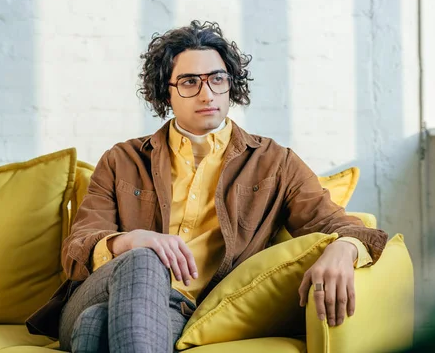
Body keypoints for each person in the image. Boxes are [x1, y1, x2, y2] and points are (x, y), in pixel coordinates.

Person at [26, 20, 388, 353]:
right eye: (189, 82)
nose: (207, 94)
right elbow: (76, 248)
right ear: (166, 93)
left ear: (231, 84)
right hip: (97, 290)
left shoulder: (275, 162)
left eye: (217, 78)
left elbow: (342, 226)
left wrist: (345, 249)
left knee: (97, 326)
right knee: (143, 261)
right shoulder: (122, 159)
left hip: (182, 311)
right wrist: (135, 241)